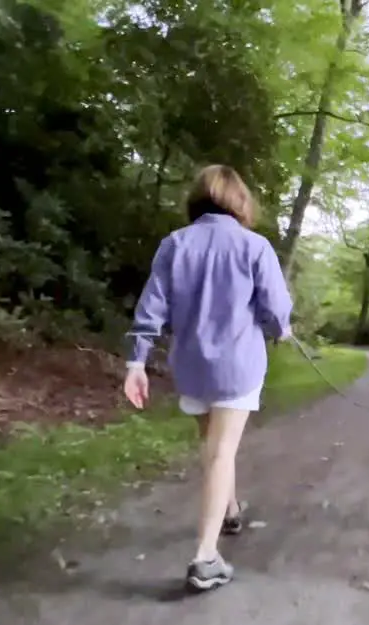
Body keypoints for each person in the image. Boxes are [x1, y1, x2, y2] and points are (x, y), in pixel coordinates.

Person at [122, 164, 293, 593]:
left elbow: (151, 308)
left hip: (192, 366)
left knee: (213, 448)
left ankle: (231, 510)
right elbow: (275, 309)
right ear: (240, 202)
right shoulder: (255, 246)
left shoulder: (174, 244)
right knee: (221, 453)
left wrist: (136, 362)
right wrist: (281, 330)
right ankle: (205, 558)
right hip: (238, 368)